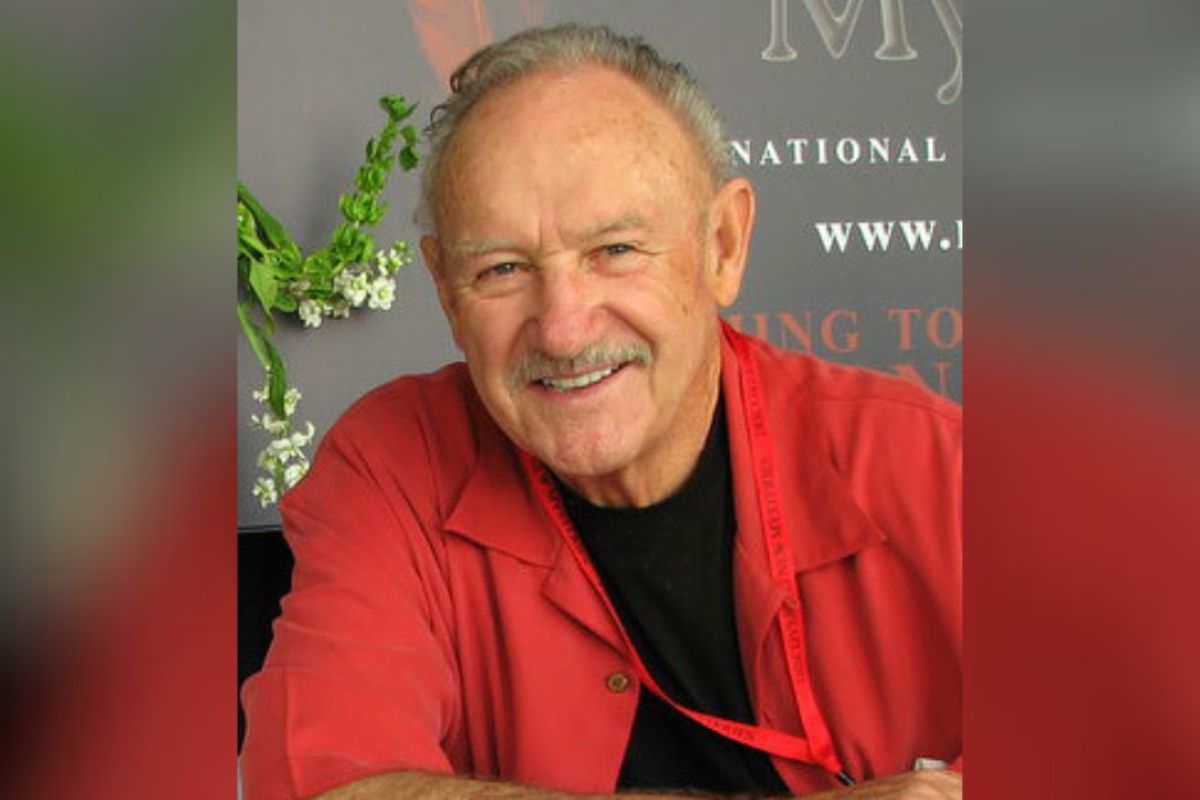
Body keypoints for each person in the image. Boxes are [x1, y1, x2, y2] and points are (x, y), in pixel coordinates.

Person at [241, 23, 961, 800]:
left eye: (614, 250)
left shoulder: (936, 464)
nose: (563, 327)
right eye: (503, 269)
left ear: (722, 244)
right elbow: (321, 786)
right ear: (447, 292)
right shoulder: (393, 464)